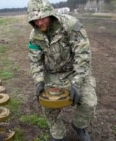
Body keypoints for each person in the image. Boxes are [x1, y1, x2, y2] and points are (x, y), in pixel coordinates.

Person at [26, 0, 97, 141]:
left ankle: (79, 126)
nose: (39, 23)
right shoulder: (34, 36)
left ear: (51, 15)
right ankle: (58, 135)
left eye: (42, 18)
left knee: (89, 103)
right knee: (48, 107)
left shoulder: (71, 25)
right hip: (52, 75)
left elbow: (82, 55)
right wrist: (39, 81)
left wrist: (76, 82)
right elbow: (35, 61)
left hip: (75, 71)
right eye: (35, 20)